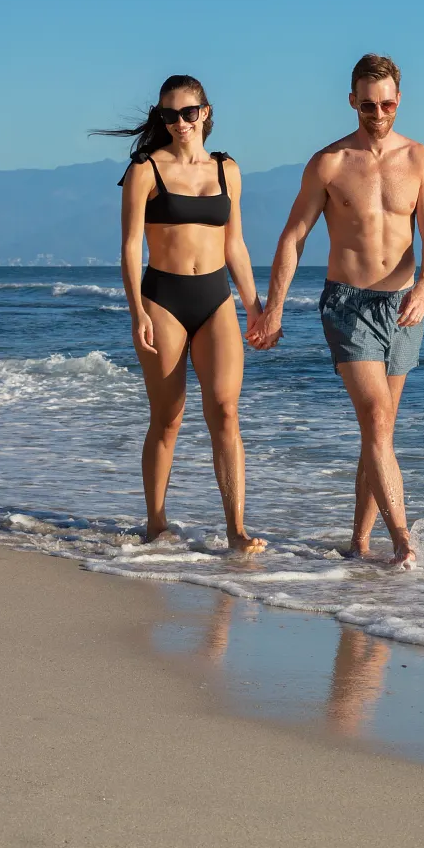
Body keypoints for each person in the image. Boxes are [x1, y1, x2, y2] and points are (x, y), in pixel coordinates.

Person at [248, 53, 424, 569]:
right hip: (347, 305)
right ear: (352, 101)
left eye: (385, 104)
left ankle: (359, 543)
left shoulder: (421, 160)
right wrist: (273, 309)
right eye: (366, 103)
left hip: (402, 307)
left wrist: (423, 288)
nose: (376, 112)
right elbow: (293, 238)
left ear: (398, 102)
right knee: (377, 418)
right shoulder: (329, 163)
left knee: (379, 431)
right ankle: (403, 542)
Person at [97, 75, 267, 553]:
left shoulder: (226, 169)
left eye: (188, 113)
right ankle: (156, 524)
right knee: (168, 416)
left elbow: (235, 244)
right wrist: (137, 312)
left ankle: (236, 530)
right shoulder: (145, 169)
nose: (180, 123)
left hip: (215, 299)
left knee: (225, 412)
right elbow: (130, 247)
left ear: (205, 112)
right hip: (162, 299)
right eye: (169, 115)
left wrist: (254, 305)